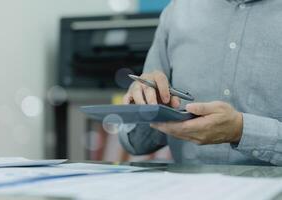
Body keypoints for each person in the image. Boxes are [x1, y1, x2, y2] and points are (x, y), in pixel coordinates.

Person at [119, 0, 282, 165]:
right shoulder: (178, 11)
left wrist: (242, 132)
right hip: (187, 188)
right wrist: (147, 109)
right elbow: (136, 144)